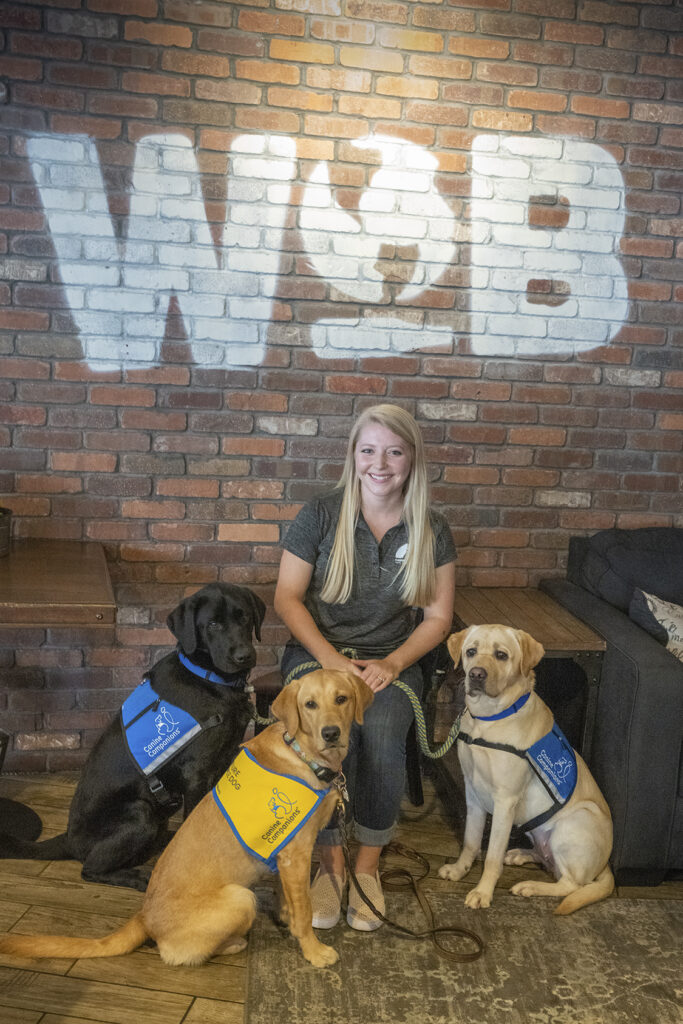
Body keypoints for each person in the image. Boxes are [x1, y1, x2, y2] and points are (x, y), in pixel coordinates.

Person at [273, 404, 456, 932]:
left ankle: (367, 867)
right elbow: (287, 599)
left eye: (394, 451)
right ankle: (329, 869)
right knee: (325, 735)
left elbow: (439, 617)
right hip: (317, 656)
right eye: (369, 450)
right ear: (353, 456)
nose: (381, 463)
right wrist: (333, 665)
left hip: (390, 665)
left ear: (412, 460)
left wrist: (394, 664)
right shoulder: (321, 515)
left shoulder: (433, 528)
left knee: (376, 728)